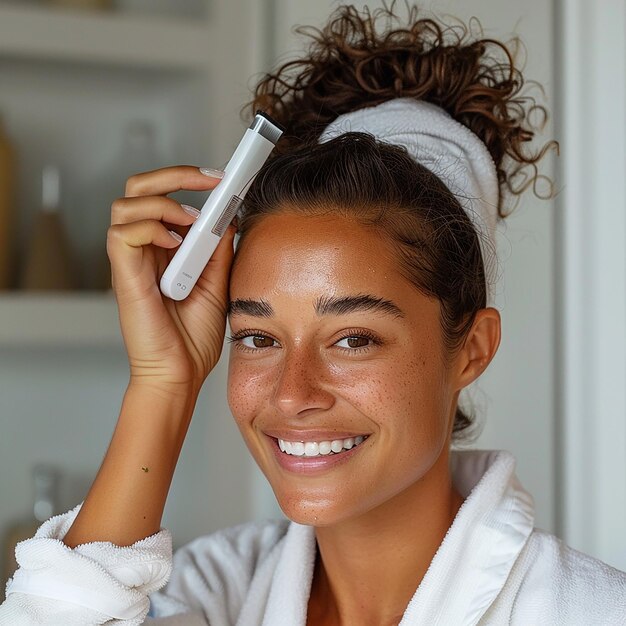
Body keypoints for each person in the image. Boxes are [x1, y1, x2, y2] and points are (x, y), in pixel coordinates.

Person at [1, 4, 625, 625]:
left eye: (353, 339)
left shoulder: (588, 611)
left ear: (471, 348)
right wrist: (162, 381)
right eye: (256, 337)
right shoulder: (212, 593)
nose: (292, 394)